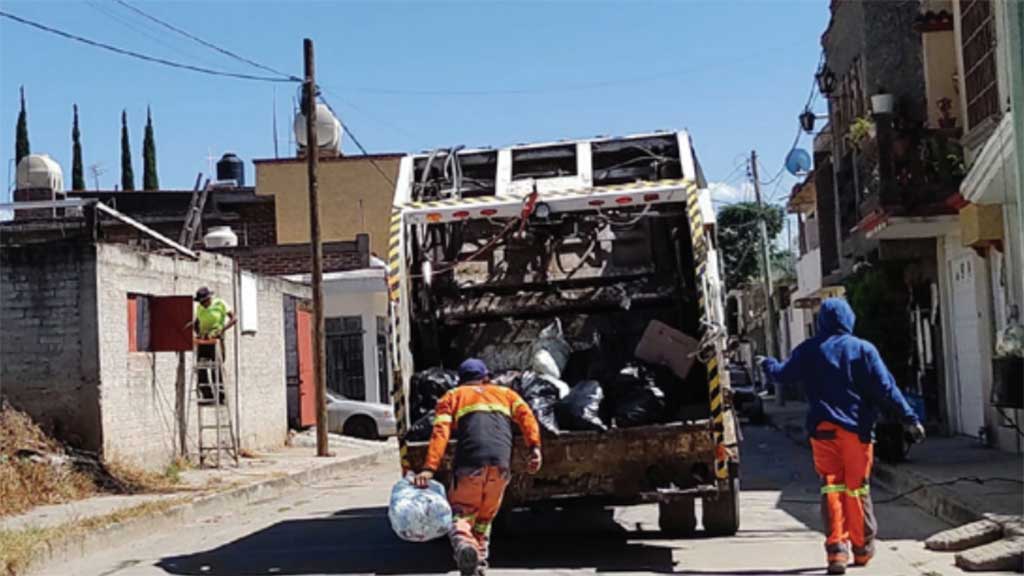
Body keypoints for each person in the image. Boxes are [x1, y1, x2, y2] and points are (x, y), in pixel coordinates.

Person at [759, 298, 925, 575]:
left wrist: (767, 363)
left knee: (831, 487)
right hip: (856, 432)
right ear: (849, 319)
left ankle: (836, 552)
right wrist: (910, 418)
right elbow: (886, 388)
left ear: (822, 321)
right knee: (856, 487)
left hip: (823, 431)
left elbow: (782, 375)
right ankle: (861, 549)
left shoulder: (809, 350)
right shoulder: (863, 349)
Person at [413, 358, 542, 576]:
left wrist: (429, 468)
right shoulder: (507, 394)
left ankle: (465, 546)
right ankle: (479, 562)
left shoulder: (452, 396)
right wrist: (535, 448)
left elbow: (440, 433)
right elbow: (527, 417)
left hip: (470, 464)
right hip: (501, 466)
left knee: (461, 514)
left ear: (460, 380)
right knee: (484, 519)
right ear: (486, 377)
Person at [186, 287, 237, 403]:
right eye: (200, 302)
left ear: (209, 298)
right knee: (201, 368)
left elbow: (234, 319)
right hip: (204, 341)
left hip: (216, 340)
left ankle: (220, 396)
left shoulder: (220, 304)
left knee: (215, 369)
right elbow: (198, 323)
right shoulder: (200, 308)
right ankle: (207, 395)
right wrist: (196, 331)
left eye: (204, 302)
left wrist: (222, 330)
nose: (202, 304)